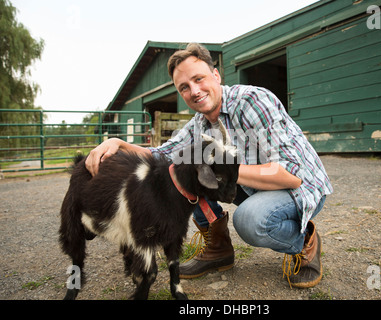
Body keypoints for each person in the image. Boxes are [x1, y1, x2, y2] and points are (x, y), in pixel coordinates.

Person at [85, 43, 333, 289]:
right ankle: (218, 248)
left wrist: (221, 171)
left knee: (250, 220)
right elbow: (163, 155)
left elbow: (291, 175)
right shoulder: (199, 124)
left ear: (216, 75)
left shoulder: (252, 102)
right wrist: (118, 144)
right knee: (180, 173)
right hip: (255, 185)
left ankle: (304, 241)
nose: (194, 90)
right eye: (184, 87)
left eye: (199, 78)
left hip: (299, 188)